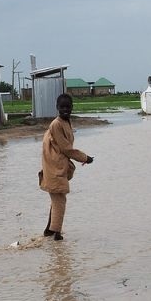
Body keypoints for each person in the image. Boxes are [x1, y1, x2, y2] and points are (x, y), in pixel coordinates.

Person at [39, 94, 93, 241]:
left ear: (72, 108)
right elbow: (66, 148)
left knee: (56, 198)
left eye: (68, 107)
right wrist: (85, 158)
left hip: (58, 166)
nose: (65, 110)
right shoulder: (56, 124)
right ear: (57, 108)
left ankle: (49, 230)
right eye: (62, 107)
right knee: (59, 200)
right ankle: (57, 233)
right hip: (54, 167)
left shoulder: (66, 122)